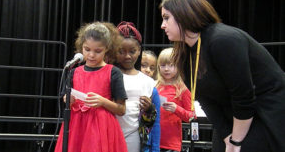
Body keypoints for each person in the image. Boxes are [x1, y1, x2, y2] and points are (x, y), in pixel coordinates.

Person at [160, 0, 285, 152]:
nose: (162, 25)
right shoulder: (185, 54)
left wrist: (237, 141)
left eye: (166, 18)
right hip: (234, 119)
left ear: (184, 15)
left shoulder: (223, 40)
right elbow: (205, 100)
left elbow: (244, 97)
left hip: (265, 115)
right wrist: (227, 137)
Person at [54, 22, 128, 152]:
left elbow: (121, 110)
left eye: (97, 51)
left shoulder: (113, 72)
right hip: (76, 128)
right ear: (81, 47)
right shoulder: (73, 71)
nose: (91, 55)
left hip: (101, 129)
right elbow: (65, 100)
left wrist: (103, 102)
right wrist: (68, 100)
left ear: (107, 49)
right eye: (87, 49)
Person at [115, 21, 161, 152]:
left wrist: (149, 108)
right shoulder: (108, 75)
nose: (127, 56)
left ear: (139, 50)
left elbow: (156, 122)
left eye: (132, 51)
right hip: (109, 134)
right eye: (121, 51)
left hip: (134, 137)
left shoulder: (147, 82)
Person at [155, 48, 195, 152]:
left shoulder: (182, 89)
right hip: (153, 139)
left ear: (178, 66)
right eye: (163, 65)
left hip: (171, 143)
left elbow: (192, 116)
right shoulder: (154, 85)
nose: (166, 69)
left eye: (171, 65)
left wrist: (176, 109)